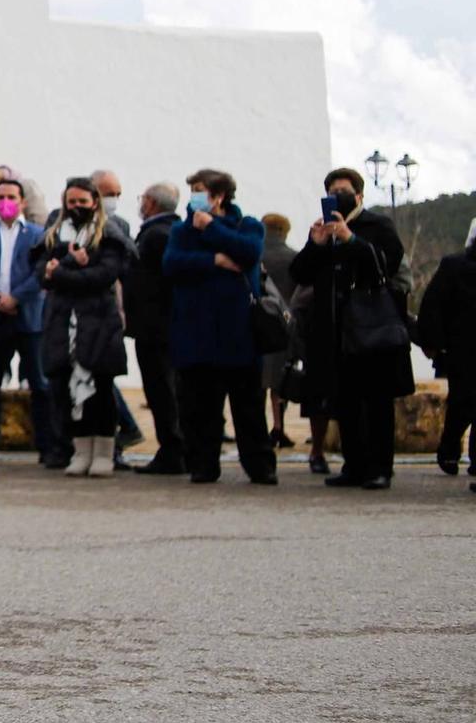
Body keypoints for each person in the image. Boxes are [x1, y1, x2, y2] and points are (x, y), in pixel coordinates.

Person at [290, 167, 411, 490]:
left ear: (358, 195)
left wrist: (351, 239)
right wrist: (315, 244)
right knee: (345, 401)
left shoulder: (377, 226)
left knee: (377, 402)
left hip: (371, 327)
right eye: (331, 193)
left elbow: (387, 265)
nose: (336, 198)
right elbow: (300, 274)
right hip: (334, 328)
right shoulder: (324, 232)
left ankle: (381, 467)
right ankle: (354, 465)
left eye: (342, 191)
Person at [162, 169, 276, 485]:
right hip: (195, 334)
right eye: (193, 190)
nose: (194, 196)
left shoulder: (247, 225)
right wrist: (214, 262)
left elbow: (249, 252)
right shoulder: (182, 231)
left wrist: (211, 229)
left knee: (249, 408)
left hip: (239, 333)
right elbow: (172, 264)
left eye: (200, 190)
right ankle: (202, 464)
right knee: (200, 409)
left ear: (219, 195)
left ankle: (260, 465)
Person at [33, 177, 132, 477]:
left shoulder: (109, 233)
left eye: (82, 203)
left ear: (94, 203)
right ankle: (80, 449)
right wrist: (65, 266)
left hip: (99, 321)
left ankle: (104, 451)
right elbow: (41, 273)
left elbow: (104, 275)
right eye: (71, 202)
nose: (76, 208)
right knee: (67, 388)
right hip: (63, 322)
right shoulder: (54, 232)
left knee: (100, 388)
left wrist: (63, 270)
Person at [0, 176, 56, 466]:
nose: (5, 202)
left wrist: (16, 298)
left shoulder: (38, 235)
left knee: (39, 385)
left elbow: (40, 272)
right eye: (0, 197)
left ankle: (47, 446)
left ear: (22, 202)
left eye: (11, 197)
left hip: (28, 319)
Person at [125, 183, 187, 475]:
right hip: (163, 326)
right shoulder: (171, 230)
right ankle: (176, 447)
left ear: (150, 203)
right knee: (166, 389)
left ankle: (173, 449)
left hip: (156, 327)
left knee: (161, 390)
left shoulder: (158, 234)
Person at [87, 169, 146, 468]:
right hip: (80, 315)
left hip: (109, 313)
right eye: (108, 193)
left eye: (117, 193)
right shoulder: (69, 224)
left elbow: (128, 265)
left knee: (103, 378)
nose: (114, 200)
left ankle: (118, 440)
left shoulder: (118, 225)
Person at [416, 221, 476, 480]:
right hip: (463, 348)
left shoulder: (453, 265)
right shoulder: (454, 266)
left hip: (460, 348)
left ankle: (453, 451)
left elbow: (432, 305)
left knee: (463, 402)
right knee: (463, 402)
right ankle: (450, 448)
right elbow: (434, 306)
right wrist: (433, 342)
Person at [259, 213, 300, 449]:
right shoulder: (293, 257)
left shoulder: (257, 256)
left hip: (259, 323)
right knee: (280, 382)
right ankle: (279, 427)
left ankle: (261, 430)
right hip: (285, 325)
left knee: (258, 382)